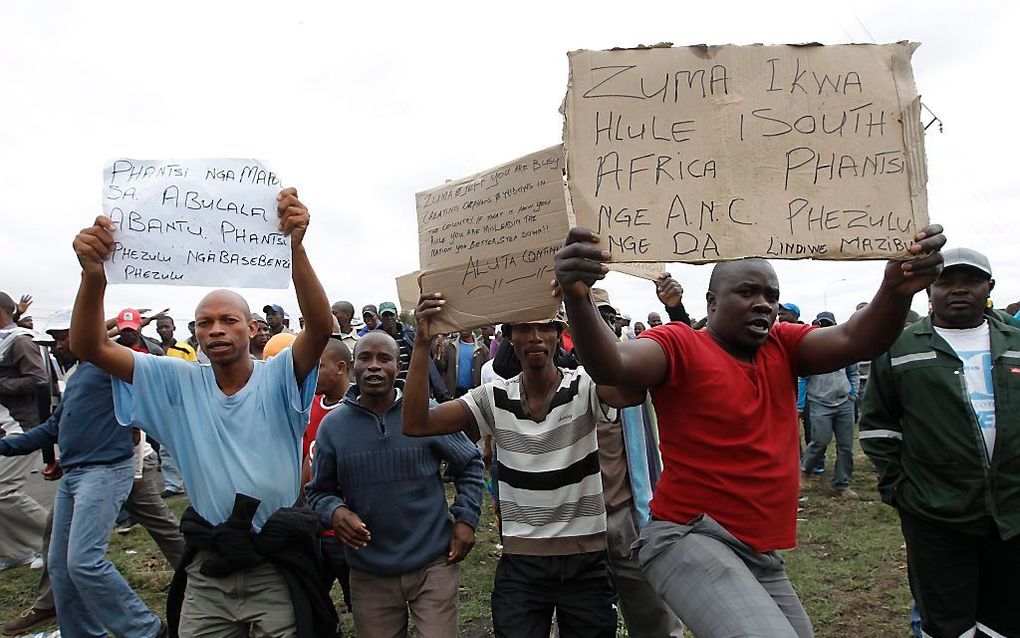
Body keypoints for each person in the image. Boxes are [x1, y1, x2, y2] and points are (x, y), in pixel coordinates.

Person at [553, 224, 945, 637]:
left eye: (771, 296)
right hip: (687, 537)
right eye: (747, 293)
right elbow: (611, 363)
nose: (763, 304)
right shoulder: (681, 345)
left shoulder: (784, 346)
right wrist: (578, 298)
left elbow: (856, 338)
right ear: (711, 301)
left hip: (760, 553)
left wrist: (897, 288)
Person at [69, 187, 339, 636]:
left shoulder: (278, 376)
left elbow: (319, 326)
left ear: (252, 328)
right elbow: (88, 346)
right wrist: (94, 276)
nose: (215, 330)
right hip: (209, 569)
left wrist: (295, 249)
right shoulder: (175, 381)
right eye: (204, 322)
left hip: (275, 564)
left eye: (228, 320)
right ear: (194, 331)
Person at [404, 294, 644, 638]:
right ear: (509, 337)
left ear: (558, 334)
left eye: (545, 327)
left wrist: (582, 300)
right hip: (522, 564)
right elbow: (415, 422)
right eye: (524, 328)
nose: (535, 337)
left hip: (586, 562)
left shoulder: (584, 387)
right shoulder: (492, 398)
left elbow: (632, 391)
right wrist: (422, 343)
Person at [860, 247, 1019, 638]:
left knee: (1006, 617)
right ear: (929, 290)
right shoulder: (899, 346)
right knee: (947, 621)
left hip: (1013, 511)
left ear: (990, 288)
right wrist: (899, 489)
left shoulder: (1015, 341)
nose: (958, 290)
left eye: (971, 281)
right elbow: (878, 426)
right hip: (934, 511)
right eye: (946, 281)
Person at [308, 331, 484, 638]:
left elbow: (469, 462)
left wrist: (466, 519)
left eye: (384, 358)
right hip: (369, 571)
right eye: (365, 358)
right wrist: (335, 512)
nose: (374, 366)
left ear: (398, 367)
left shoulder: (426, 414)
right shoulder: (333, 427)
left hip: (434, 563)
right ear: (352, 367)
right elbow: (318, 491)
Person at [1, 357, 186, 637]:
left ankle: (146, 630)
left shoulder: (111, 364)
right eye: (54, 340)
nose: (58, 345)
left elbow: (139, 416)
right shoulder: (77, 377)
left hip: (106, 470)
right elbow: (54, 427)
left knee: (84, 560)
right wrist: (6, 446)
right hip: (74, 475)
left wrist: (137, 468)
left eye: (65, 337)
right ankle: (81, 632)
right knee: (60, 564)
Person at [0, 290, 49, 570]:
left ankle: (54, 541)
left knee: (3, 491)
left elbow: (37, 380)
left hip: (23, 427)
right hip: (6, 428)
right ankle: (14, 551)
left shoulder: (19, 341)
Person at [800, 312, 860, 496]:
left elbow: (853, 372)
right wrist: (800, 406)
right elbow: (802, 379)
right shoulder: (811, 352)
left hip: (844, 403)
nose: (825, 327)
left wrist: (852, 394)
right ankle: (804, 473)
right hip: (819, 403)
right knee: (820, 441)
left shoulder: (844, 349)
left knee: (845, 446)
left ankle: (842, 484)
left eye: (828, 324)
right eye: (821, 324)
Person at [436, 330, 488, 397]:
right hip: (453, 394)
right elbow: (440, 368)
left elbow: (486, 373)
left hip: (474, 395)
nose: (464, 329)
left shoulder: (482, 349)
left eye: (467, 326)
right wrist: (439, 352)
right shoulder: (449, 346)